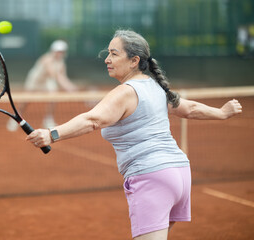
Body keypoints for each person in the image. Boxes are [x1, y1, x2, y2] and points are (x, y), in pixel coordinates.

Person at [26, 30, 243, 240]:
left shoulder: (125, 92)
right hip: (180, 173)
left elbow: (93, 120)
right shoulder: (157, 88)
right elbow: (189, 108)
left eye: (114, 53)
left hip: (152, 176)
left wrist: (52, 134)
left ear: (134, 61)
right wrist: (222, 113)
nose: (107, 59)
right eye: (108, 53)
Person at [7, 39, 77, 131]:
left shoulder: (61, 63)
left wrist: (71, 87)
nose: (59, 53)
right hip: (35, 81)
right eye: (58, 51)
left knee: (53, 96)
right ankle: (15, 119)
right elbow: (55, 76)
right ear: (53, 51)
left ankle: (48, 120)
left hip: (46, 82)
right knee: (25, 101)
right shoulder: (46, 59)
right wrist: (69, 87)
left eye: (61, 51)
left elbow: (62, 77)